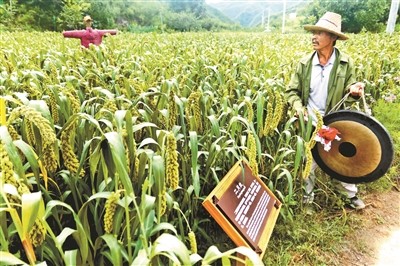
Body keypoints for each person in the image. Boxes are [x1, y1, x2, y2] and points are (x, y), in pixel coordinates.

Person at [285, 12, 366, 210]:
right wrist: (298, 108)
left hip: (336, 121)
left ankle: (349, 195)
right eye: (314, 32)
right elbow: (291, 91)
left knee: (342, 157)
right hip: (310, 120)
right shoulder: (304, 64)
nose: (314, 36)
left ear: (333, 38)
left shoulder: (346, 63)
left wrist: (355, 90)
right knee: (309, 161)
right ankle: (307, 199)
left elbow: (352, 87)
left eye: (320, 33)